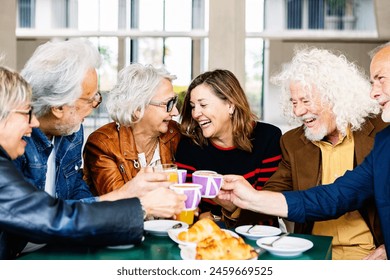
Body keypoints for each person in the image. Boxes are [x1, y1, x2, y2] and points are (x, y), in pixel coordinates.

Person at [218, 43, 390, 260]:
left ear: (335, 96)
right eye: (294, 102)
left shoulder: (382, 135)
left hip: (367, 257)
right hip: (311, 254)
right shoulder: (293, 142)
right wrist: (237, 202)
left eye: (306, 101)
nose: (298, 111)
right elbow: (330, 198)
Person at [0, 65, 186, 259]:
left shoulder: (69, 133)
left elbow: (69, 201)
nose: (34, 122)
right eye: (25, 113)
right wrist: (140, 205)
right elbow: (48, 217)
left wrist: (128, 195)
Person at [175, 69, 282, 228]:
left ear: (230, 105)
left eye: (203, 104)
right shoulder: (189, 146)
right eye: (192, 106)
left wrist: (225, 211)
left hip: (260, 239)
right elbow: (189, 211)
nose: (196, 113)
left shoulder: (268, 138)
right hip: (205, 238)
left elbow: (269, 207)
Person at [83, 63, 181, 195]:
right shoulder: (103, 144)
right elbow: (120, 206)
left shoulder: (174, 134)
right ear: (137, 108)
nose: (175, 112)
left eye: (174, 102)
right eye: (168, 104)